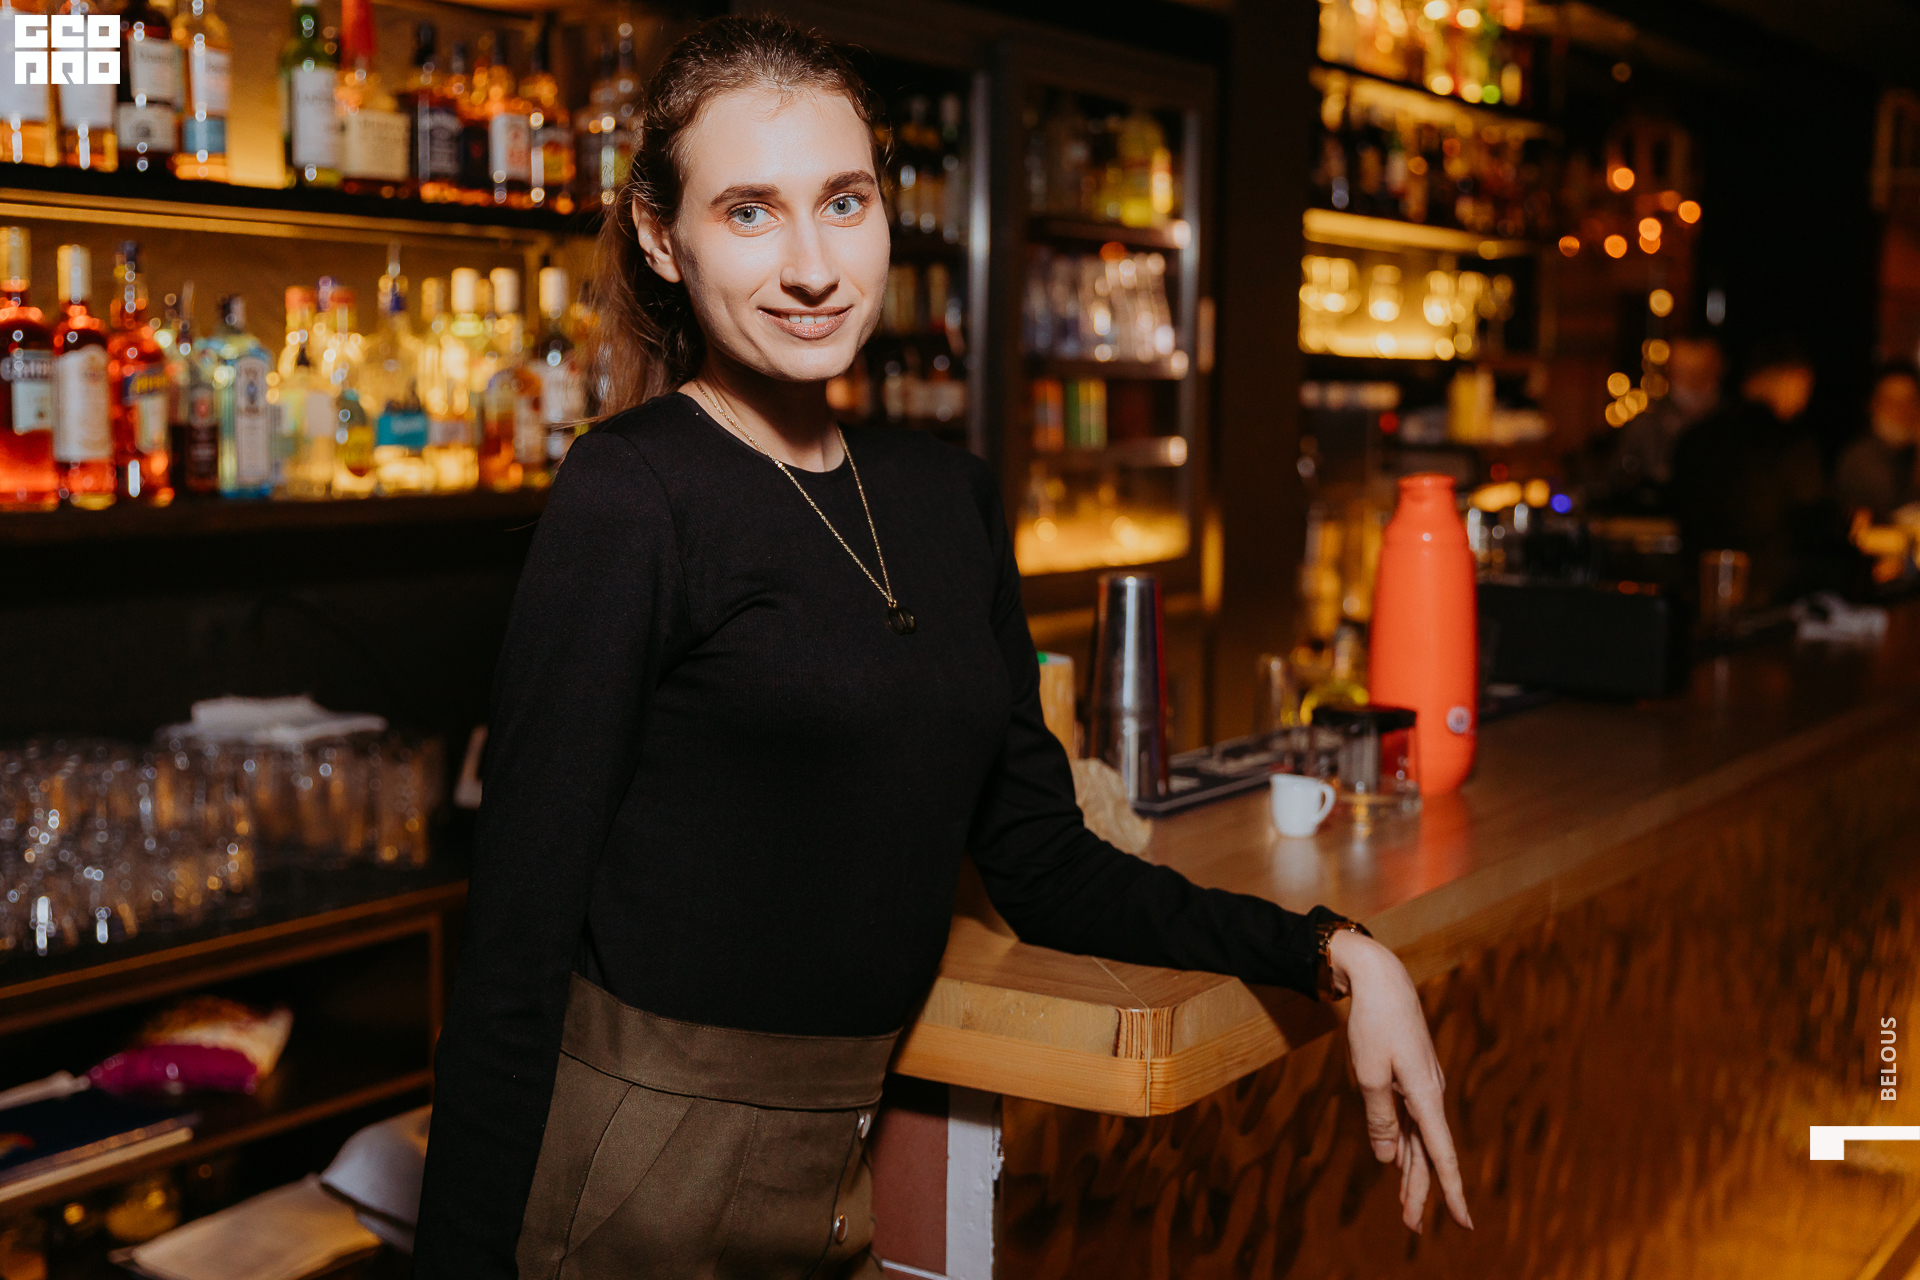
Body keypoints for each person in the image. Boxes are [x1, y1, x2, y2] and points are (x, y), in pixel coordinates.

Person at [413, 17, 1472, 1279]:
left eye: (842, 201)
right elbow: (515, 940)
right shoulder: (630, 493)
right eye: (749, 212)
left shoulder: (945, 497)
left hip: (830, 1172)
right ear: (660, 235)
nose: (813, 266)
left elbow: (1045, 862)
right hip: (637, 1177)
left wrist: (1330, 949)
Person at [1670, 335, 1860, 607]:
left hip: (1698, 591)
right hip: (1770, 598)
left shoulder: (1695, 437)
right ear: (1791, 378)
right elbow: (1812, 521)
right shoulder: (1791, 443)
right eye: (1805, 387)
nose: (1804, 401)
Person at [1834, 361, 1920, 522]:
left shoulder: (1909, 451)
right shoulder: (1860, 458)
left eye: (1911, 401)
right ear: (1873, 405)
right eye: (1891, 402)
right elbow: (1895, 511)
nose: (1902, 411)